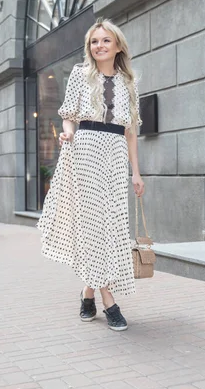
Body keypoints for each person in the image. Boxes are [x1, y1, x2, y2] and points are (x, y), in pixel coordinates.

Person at [37, 19, 145, 331]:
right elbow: (69, 117)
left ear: (118, 45)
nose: (99, 46)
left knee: (110, 227)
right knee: (92, 224)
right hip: (85, 151)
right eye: (94, 41)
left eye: (105, 41)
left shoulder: (129, 82)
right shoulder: (80, 75)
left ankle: (87, 294)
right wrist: (67, 134)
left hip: (114, 155)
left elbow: (131, 133)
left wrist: (135, 174)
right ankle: (109, 301)